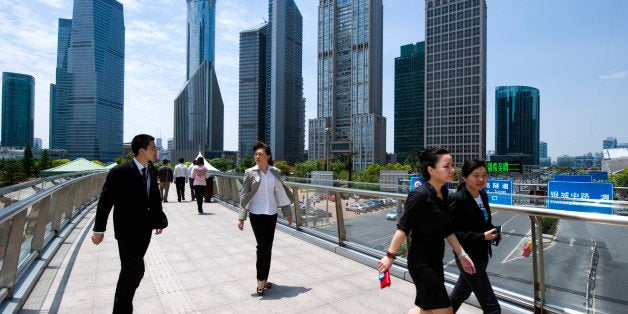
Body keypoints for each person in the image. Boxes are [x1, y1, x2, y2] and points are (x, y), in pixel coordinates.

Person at [378, 147, 475, 314]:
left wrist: (462, 254)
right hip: (421, 263)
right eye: (446, 166)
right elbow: (403, 228)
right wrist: (389, 257)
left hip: (436, 260)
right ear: (431, 170)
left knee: (425, 309)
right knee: (445, 311)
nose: (452, 170)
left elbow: (447, 229)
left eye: (452, 165)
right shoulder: (419, 195)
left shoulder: (444, 192)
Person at [91, 134, 165, 313]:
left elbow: (154, 197)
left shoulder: (152, 169)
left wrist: (159, 220)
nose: (156, 151)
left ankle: (122, 307)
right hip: (126, 230)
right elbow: (105, 201)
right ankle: (122, 309)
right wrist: (99, 229)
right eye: (153, 148)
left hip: (145, 229)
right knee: (135, 269)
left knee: (130, 271)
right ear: (142, 151)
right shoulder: (120, 171)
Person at [237, 141, 293, 296]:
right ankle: (260, 281)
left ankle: (264, 278)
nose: (257, 156)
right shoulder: (250, 172)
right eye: (255, 154)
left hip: (272, 213)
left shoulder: (275, 172)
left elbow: (280, 193)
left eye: (261, 154)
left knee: (268, 246)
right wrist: (242, 217)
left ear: (268, 156)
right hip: (256, 213)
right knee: (262, 246)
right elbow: (244, 195)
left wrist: (288, 213)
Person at [448, 160, 501, 313]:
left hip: (482, 255)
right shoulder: (457, 199)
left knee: (458, 297)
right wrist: (481, 237)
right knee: (492, 308)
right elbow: (452, 233)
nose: (481, 179)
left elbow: (484, 222)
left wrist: (493, 233)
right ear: (464, 178)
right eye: (476, 175)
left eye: (484, 175)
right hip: (468, 258)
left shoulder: (482, 195)